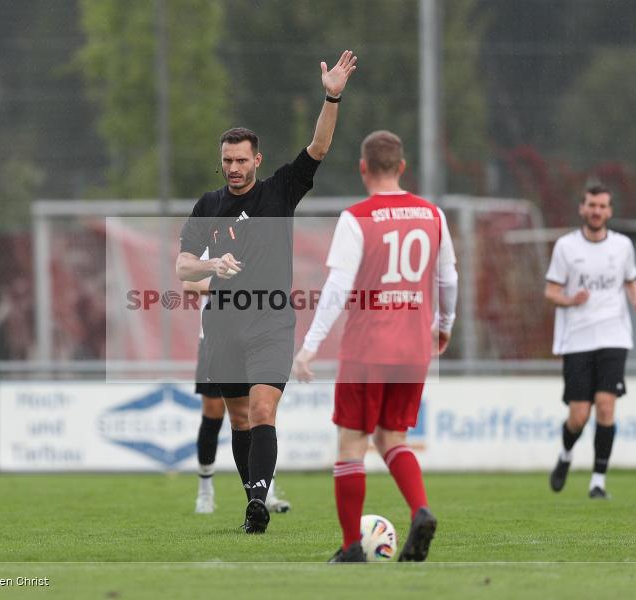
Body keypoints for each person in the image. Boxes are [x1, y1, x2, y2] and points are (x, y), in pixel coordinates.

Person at [177, 50, 357, 534]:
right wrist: (213, 264)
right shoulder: (208, 205)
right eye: (227, 161)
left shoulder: (279, 191)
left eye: (241, 160)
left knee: (262, 409)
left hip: (272, 320)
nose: (234, 167)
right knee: (238, 420)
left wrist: (332, 95)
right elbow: (182, 267)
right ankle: (252, 493)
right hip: (223, 324)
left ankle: (257, 503)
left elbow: (319, 145)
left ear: (256, 159)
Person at [292, 130, 458, 563]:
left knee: (352, 442)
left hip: (368, 346)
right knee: (393, 436)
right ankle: (420, 509)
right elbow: (449, 279)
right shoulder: (433, 215)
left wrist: (309, 346)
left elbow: (337, 288)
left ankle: (351, 548)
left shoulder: (356, 218)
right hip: (414, 346)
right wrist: (444, 324)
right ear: (402, 168)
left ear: (363, 168)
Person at [545, 184, 636, 499]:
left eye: (602, 206)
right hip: (577, 338)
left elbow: (631, 281)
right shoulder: (565, 247)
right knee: (579, 415)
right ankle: (565, 455)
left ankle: (598, 481)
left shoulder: (622, 246)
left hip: (614, 335)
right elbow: (550, 292)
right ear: (582, 208)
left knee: (606, 407)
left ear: (609, 211)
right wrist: (570, 299)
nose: (596, 211)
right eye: (592, 205)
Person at [186, 271, 291, 515]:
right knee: (213, 414)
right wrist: (231, 288)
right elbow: (189, 282)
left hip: (257, 337)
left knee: (262, 411)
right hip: (215, 339)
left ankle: (266, 492)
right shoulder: (211, 240)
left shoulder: (260, 245)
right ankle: (205, 491)